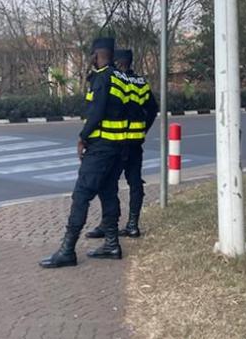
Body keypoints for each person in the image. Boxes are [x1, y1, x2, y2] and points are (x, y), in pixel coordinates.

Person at [39, 37, 129, 268]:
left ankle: (67, 250)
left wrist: (83, 137)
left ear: (96, 55)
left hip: (100, 148)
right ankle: (111, 244)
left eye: (90, 55)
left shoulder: (102, 77)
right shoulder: (121, 77)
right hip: (118, 147)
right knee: (108, 193)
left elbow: (97, 112)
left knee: (81, 195)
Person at [86, 49, 158, 239]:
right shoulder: (141, 82)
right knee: (135, 182)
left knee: (108, 184)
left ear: (117, 63)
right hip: (135, 142)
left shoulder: (116, 81)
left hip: (116, 141)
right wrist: (143, 129)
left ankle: (107, 223)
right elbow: (152, 109)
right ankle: (133, 224)